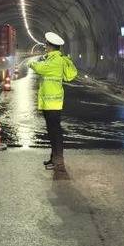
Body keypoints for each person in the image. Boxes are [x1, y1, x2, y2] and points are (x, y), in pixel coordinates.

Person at [28, 32, 78, 171]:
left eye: (46, 45)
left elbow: (40, 68)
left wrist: (31, 63)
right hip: (49, 102)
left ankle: (59, 161)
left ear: (50, 46)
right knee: (52, 131)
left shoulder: (55, 61)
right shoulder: (53, 58)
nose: (45, 46)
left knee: (55, 132)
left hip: (53, 103)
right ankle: (53, 158)